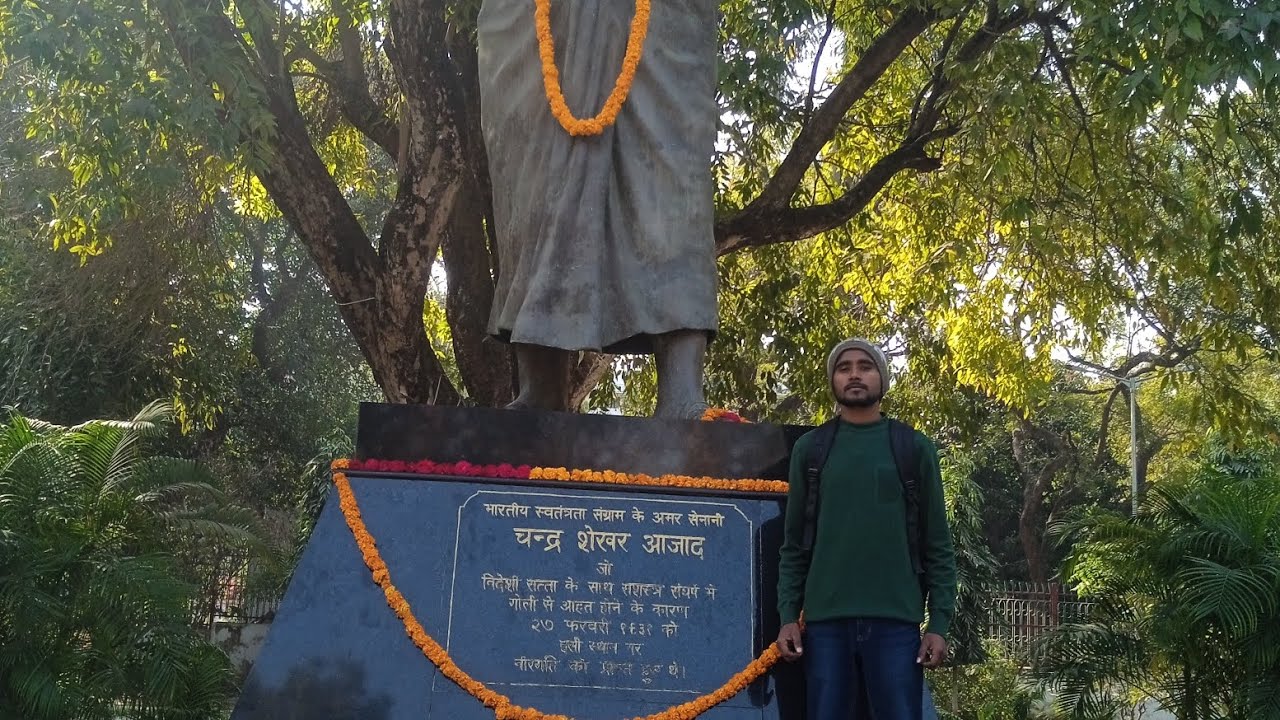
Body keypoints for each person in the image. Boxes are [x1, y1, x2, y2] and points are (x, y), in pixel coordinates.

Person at [477, 0, 718, 417]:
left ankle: (682, 391)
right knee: (538, 197)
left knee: (672, 197)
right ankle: (541, 386)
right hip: (544, 20)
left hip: (657, 28)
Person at [775, 338, 957, 719]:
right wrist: (788, 616)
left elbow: (937, 543)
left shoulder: (913, 448)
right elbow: (793, 545)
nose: (855, 374)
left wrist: (938, 622)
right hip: (825, 627)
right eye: (844, 368)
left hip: (896, 625)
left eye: (865, 366)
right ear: (833, 381)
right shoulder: (812, 450)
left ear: (881, 378)